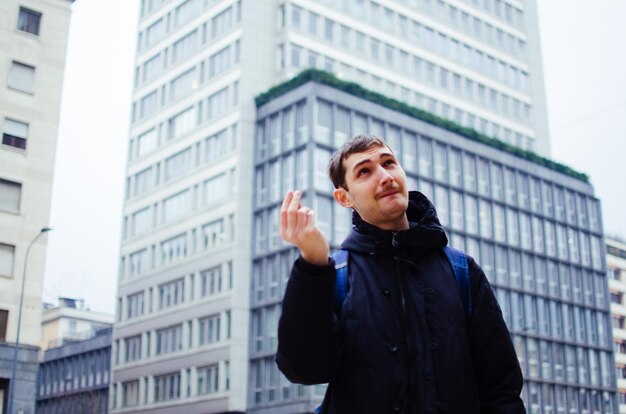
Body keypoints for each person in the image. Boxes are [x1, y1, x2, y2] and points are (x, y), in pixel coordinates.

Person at [276, 134, 525, 414]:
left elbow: (501, 388)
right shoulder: (334, 276)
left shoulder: (462, 271)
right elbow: (305, 370)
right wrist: (313, 264)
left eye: (389, 163)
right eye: (365, 171)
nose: (384, 176)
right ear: (344, 197)